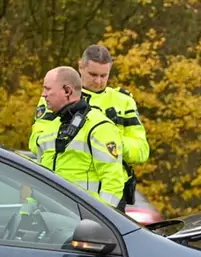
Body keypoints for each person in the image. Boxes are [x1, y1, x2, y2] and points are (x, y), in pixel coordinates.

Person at [29, 44, 150, 210]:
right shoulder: (59, 96)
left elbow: (141, 150)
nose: (98, 81)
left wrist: (107, 140)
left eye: (104, 75)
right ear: (80, 66)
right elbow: (37, 141)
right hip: (64, 187)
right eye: (93, 74)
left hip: (110, 192)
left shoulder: (123, 101)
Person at [31, 66, 128, 209]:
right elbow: (39, 180)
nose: (43, 95)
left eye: (47, 89)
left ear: (67, 91)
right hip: (52, 219)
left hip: (85, 223)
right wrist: (28, 212)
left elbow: (113, 182)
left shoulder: (99, 127)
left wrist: (101, 221)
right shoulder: (50, 128)